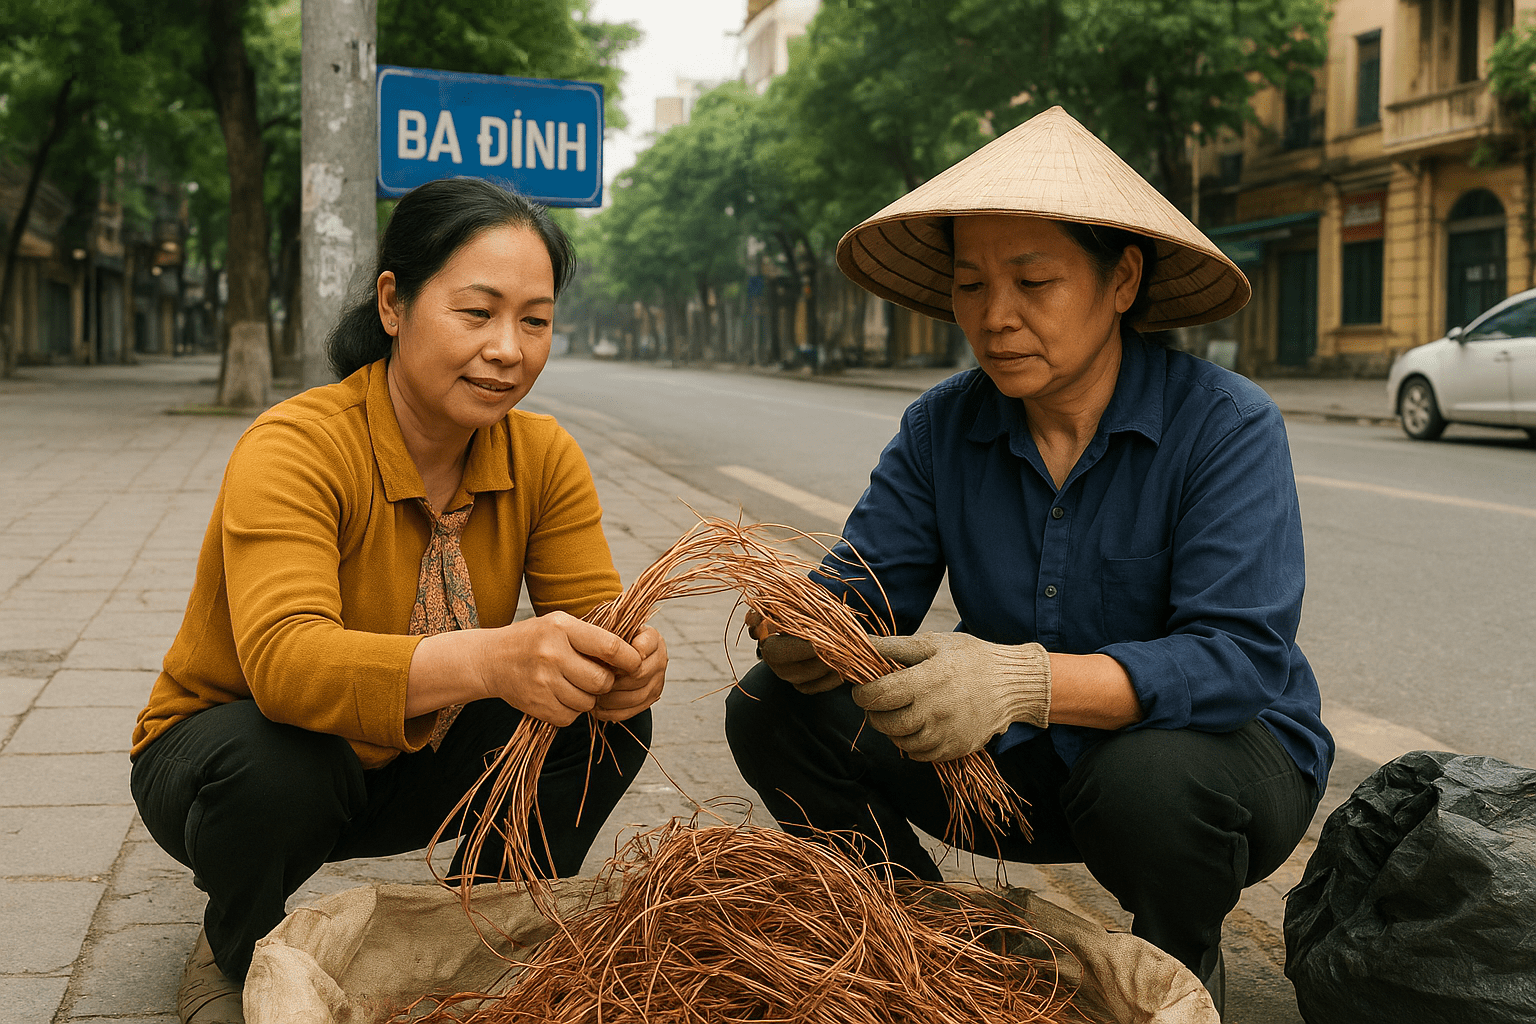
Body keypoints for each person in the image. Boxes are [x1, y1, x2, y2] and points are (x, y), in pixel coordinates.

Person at [726, 107, 1331, 1015]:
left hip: (1212, 770)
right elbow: (863, 586)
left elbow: (1238, 660)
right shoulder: (944, 424)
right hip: (1017, 769)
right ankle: (918, 943)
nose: (994, 317)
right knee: (774, 713)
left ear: (1121, 280)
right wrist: (802, 626)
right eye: (971, 285)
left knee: (1151, 782)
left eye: (1033, 281)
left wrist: (1019, 681)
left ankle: (1176, 970)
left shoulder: (1225, 424)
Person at [129, 178, 667, 1024]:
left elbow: (596, 618)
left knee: (597, 716)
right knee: (281, 763)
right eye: (476, 312)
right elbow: (287, 666)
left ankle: (469, 937)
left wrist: (625, 664)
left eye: (534, 320)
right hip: (233, 763)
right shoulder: (297, 445)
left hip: (413, 760)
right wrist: (497, 656)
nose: (508, 349)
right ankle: (238, 946)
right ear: (393, 303)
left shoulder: (543, 454)